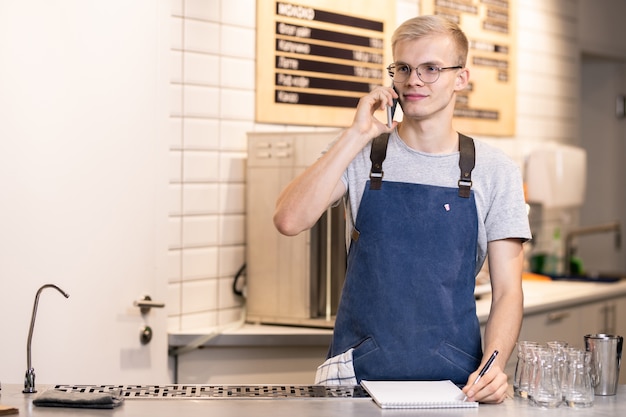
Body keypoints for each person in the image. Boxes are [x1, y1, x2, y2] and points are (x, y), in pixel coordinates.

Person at [273, 15, 531, 404]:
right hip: (356, 382)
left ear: (461, 77)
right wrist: (356, 133)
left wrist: (494, 365)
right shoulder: (362, 155)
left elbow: (509, 290)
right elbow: (289, 220)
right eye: (404, 68)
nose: (414, 81)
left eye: (431, 69)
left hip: (456, 386)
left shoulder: (495, 171)